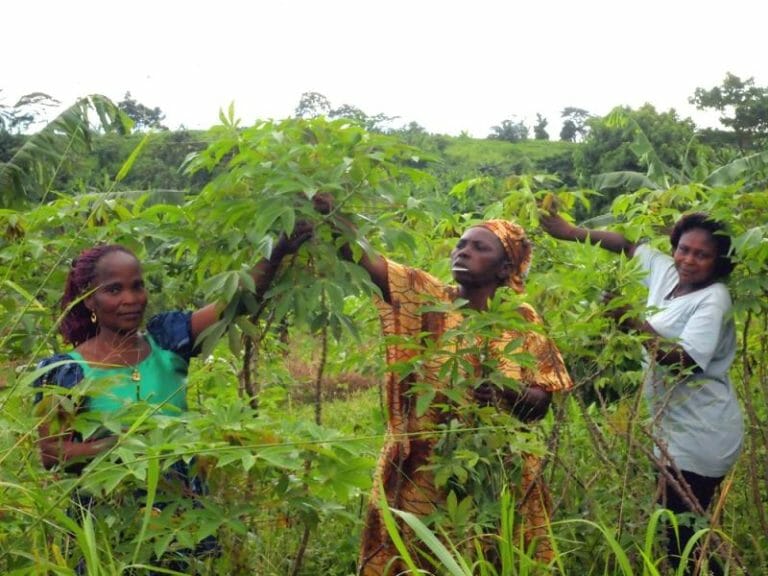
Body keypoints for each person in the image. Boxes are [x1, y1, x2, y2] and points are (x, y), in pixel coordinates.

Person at [314, 197, 573, 575]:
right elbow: (366, 259)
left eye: (479, 247)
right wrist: (331, 212)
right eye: (461, 244)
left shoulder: (521, 319)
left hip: (498, 470)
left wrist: (503, 391)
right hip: (419, 470)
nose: (463, 251)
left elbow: (540, 403)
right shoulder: (427, 297)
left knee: (494, 557)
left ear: (505, 268)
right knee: (411, 560)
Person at [33, 224, 311, 569]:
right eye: (114, 289)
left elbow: (232, 306)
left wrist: (278, 250)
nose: (130, 299)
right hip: (109, 527)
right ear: (89, 298)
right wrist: (124, 447)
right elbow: (52, 453)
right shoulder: (64, 371)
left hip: (182, 521)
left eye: (137, 286)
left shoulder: (166, 341)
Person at [540, 211, 743, 575]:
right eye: (684, 249)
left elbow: (685, 360)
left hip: (702, 435)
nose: (688, 259)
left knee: (682, 542)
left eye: (702, 255)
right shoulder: (669, 274)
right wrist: (569, 231)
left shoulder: (714, 299)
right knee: (676, 535)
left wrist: (631, 323)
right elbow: (628, 244)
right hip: (672, 431)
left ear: (719, 261)